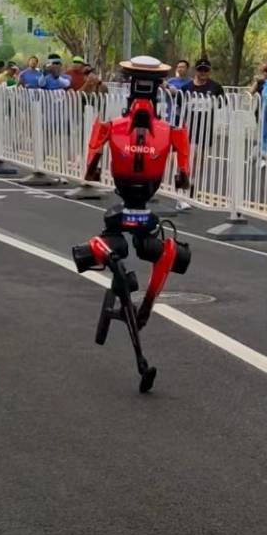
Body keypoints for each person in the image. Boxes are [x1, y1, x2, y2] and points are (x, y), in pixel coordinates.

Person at [73, 56, 192, 393]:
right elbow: (184, 178)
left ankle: (119, 274)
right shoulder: (172, 132)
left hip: (125, 206)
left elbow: (90, 168)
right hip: (143, 211)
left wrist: (100, 161)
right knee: (158, 249)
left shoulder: (110, 126)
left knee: (115, 246)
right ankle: (145, 303)